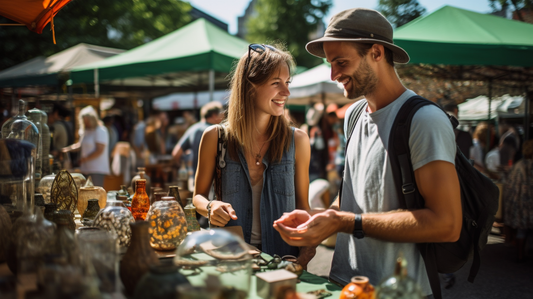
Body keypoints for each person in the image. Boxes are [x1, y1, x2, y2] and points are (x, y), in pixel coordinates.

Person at [273, 8, 461, 298]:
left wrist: (345, 222)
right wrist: (322, 221)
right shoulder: (354, 114)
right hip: (344, 284)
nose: (334, 74)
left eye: (341, 62)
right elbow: (354, 194)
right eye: (330, 64)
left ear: (376, 52)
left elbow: (447, 224)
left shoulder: (425, 119)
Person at [193, 43, 314, 266]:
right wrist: (211, 207)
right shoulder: (215, 137)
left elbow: (303, 207)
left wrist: (305, 253)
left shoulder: (298, 140)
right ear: (250, 86)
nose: (286, 92)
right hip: (230, 257)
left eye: (287, 83)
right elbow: (197, 198)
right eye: (276, 83)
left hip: (283, 259)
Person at [171, 101, 224, 182]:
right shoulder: (218, 130)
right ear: (214, 115)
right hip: (216, 181)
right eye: (222, 114)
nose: (223, 117)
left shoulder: (193, 129)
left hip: (195, 179)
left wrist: (182, 167)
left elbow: (176, 153)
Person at [62, 105, 110, 187]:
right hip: (85, 168)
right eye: (84, 121)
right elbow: (80, 145)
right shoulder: (86, 131)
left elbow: (99, 150)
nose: (86, 123)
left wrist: (84, 159)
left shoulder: (101, 130)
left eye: (87, 121)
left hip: (96, 169)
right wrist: (68, 149)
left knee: (96, 194)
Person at [503, 139, 533, 263]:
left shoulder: (518, 164)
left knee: (522, 229)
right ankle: (522, 253)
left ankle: (520, 254)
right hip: (528, 202)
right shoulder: (528, 165)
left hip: (519, 202)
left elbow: (510, 184)